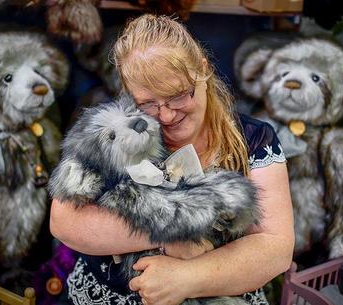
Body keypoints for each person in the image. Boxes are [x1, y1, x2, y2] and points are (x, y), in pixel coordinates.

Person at [50, 14, 294, 305]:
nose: (166, 115)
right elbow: (63, 220)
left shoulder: (254, 138)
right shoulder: (116, 134)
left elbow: (275, 246)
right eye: (148, 103)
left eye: (178, 96)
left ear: (202, 71)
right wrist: (172, 231)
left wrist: (188, 277)